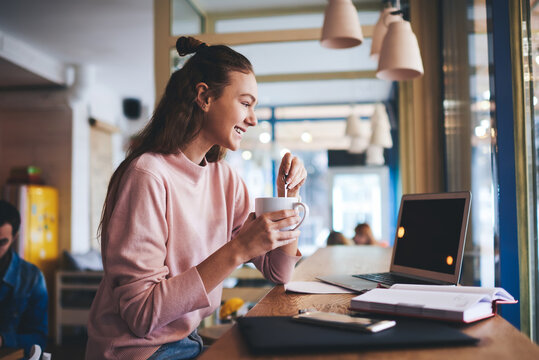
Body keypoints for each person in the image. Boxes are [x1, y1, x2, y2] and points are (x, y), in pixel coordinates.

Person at [86, 36, 307, 360]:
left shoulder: (225, 180)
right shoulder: (148, 175)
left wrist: (289, 197)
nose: (253, 119)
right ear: (204, 96)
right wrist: (238, 248)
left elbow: (278, 272)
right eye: (245, 103)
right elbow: (141, 315)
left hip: (187, 341)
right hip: (136, 351)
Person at [0, 200, 48, 357]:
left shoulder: (31, 278)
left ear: (14, 237)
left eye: (2, 242)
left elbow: (39, 339)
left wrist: (3, 340)